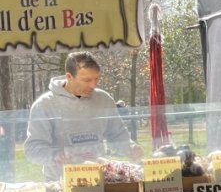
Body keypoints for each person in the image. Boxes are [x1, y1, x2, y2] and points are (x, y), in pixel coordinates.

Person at [24, 51, 143, 181]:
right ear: (69, 76)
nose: (93, 85)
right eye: (87, 80)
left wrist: (129, 147)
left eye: (96, 79)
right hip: (60, 181)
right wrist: (54, 156)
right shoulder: (45, 104)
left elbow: (117, 134)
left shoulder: (103, 99)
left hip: (100, 178)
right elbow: (33, 149)